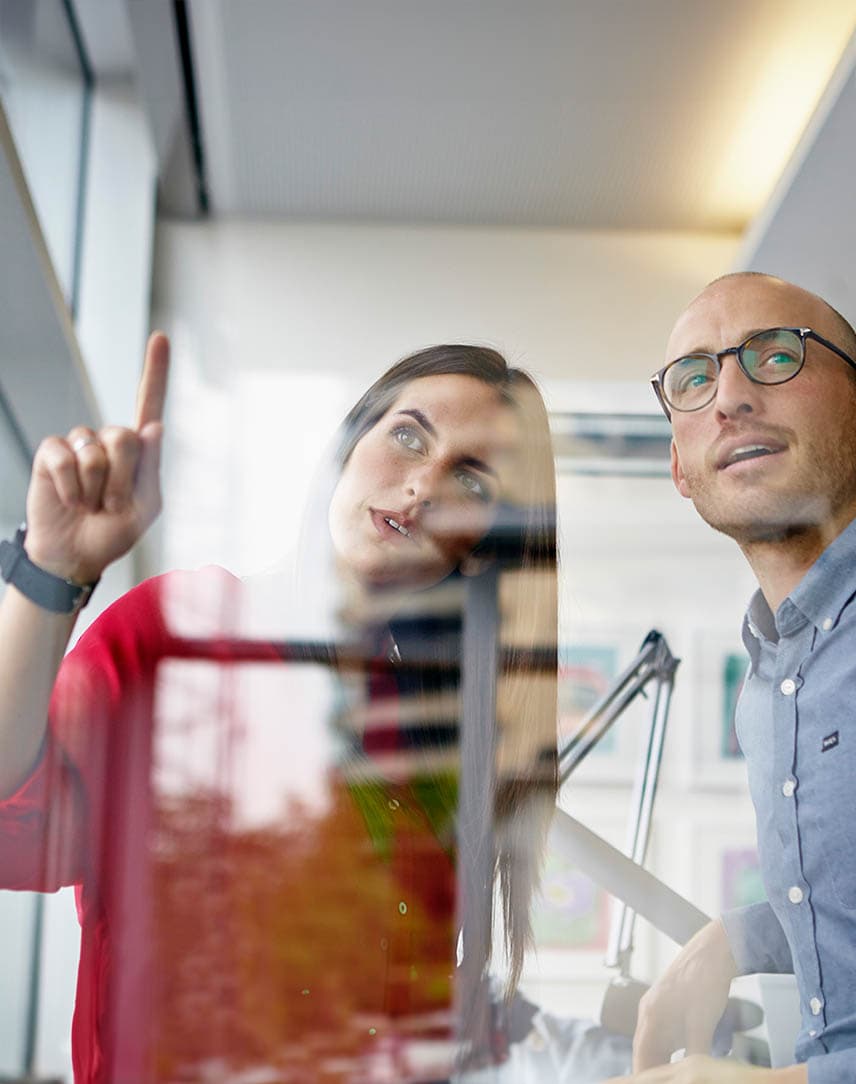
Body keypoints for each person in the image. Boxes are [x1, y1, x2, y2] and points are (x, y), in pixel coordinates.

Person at [0, 337, 559, 1083]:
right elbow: (13, 834)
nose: (423, 486)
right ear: (347, 444)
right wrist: (50, 574)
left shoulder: (434, 733)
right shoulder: (179, 630)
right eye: (407, 436)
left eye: (474, 481)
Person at [608, 272, 856, 1084]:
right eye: (695, 378)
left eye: (776, 355)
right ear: (682, 468)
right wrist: (739, 938)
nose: (731, 396)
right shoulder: (769, 686)